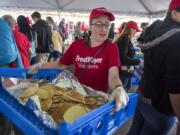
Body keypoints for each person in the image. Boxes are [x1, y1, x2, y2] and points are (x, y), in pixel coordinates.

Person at [29, 7, 129, 112]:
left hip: (95, 101)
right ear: (90, 26)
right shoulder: (77, 45)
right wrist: (39, 65)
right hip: (74, 96)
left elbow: (113, 75)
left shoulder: (111, 47)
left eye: (107, 25)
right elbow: (60, 64)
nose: (104, 29)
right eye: (99, 24)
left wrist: (119, 88)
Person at [128, 0, 180, 134]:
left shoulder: (155, 28)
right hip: (161, 107)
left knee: (134, 131)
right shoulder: (177, 37)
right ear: (175, 13)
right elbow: (174, 86)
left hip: (143, 94)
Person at [115, 21, 141, 91]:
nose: (136, 32)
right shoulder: (125, 39)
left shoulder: (124, 39)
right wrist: (138, 62)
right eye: (135, 30)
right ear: (131, 29)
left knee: (126, 87)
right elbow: (123, 57)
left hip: (125, 70)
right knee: (123, 90)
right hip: (124, 70)